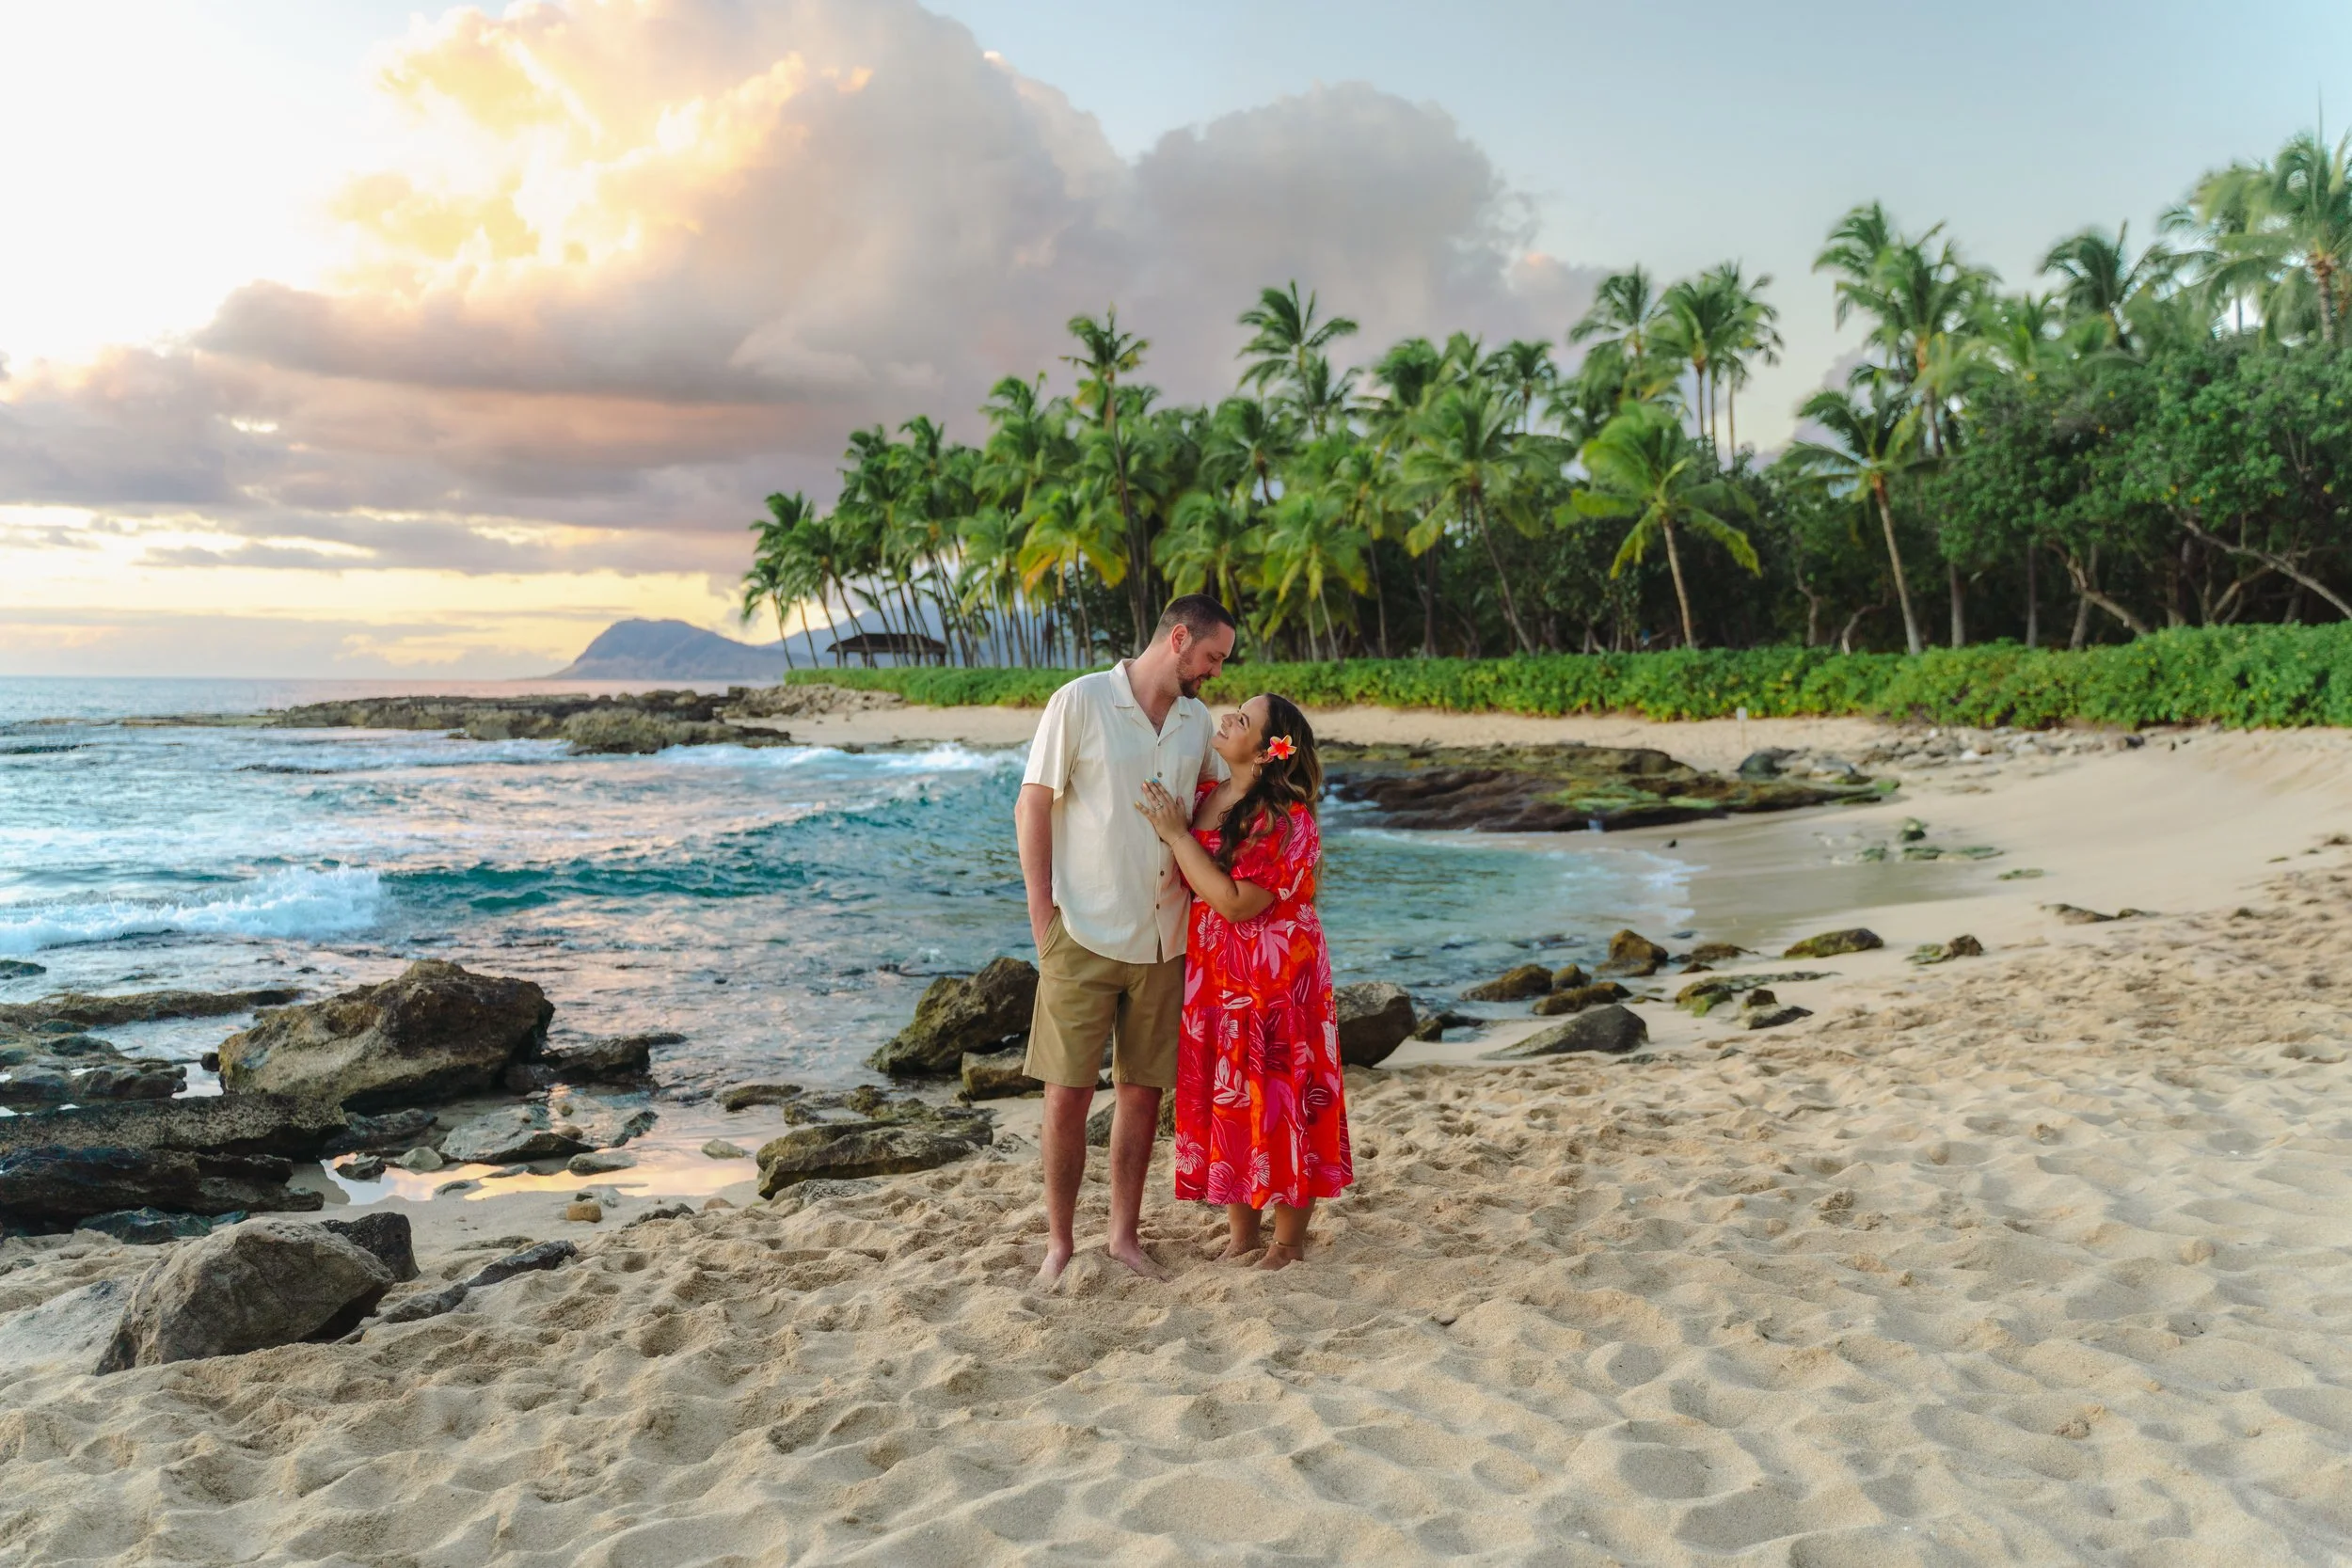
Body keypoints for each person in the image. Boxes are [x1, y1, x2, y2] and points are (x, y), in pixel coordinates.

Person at [1014, 594, 1237, 1288]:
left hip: (1166, 937)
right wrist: (1041, 915)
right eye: (1211, 657)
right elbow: (1033, 802)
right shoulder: (1079, 701)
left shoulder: (1196, 722)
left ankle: (1122, 1236)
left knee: (1142, 1094)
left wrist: (1270, 782)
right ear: (1178, 639)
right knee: (1066, 1095)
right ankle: (1058, 1241)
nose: (1214, 672)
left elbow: (1216, 806)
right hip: (1080, 932)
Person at [1136, 692, 1352, 1271]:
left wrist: (1176, 835)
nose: (1228, 716)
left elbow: (1235, 903)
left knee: (1279, 1093)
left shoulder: (1285, 820)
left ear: (1263, 754)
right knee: (1233, 1092)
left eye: (1244, 719)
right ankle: (1242, 1233)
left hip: (1275, 980)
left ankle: (1288, 1242)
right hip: (1216, 977)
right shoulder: (1211, 797)